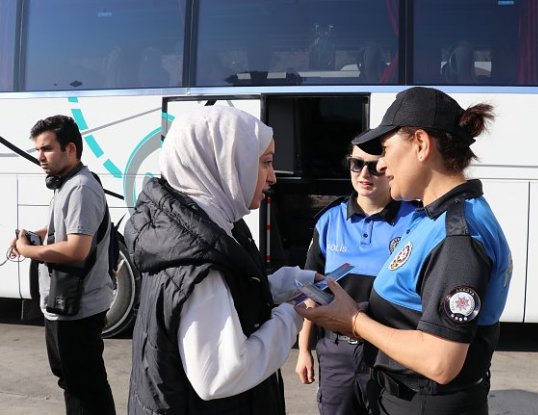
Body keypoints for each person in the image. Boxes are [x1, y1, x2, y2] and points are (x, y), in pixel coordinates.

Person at [297, 86, 512, 414]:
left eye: (385, 150)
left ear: (422, 145)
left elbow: (441, 361)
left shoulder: (457, 236)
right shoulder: (431, 218)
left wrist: (354, 321)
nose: (380, 166)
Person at [124, 106, 319, 414]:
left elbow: (236, 295)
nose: (272, 177)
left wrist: (295, 283)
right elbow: (220, 375)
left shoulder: (202, 229)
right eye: (266, 162)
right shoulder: (198, 261)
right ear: (226, 162)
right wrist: (293, 315)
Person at [295, 144, 418, 415]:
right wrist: (304, 350)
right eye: (356, 163)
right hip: (336, 353)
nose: (364, 173)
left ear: (390, 170)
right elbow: (311, 293)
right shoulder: (329, 221)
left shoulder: (416, 222)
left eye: (375, 166)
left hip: (390, 354)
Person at [10, 115, 116, 414]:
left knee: (84, 387)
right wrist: (34, 235)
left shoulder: (80, 187)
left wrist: (27, 251)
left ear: (70, 148)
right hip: (65, 305)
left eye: (46, 149)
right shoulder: (67, 183)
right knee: (75, 382)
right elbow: (64, 228)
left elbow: (76, 249)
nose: (40, 157)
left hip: (78, 308)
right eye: (37, 151)